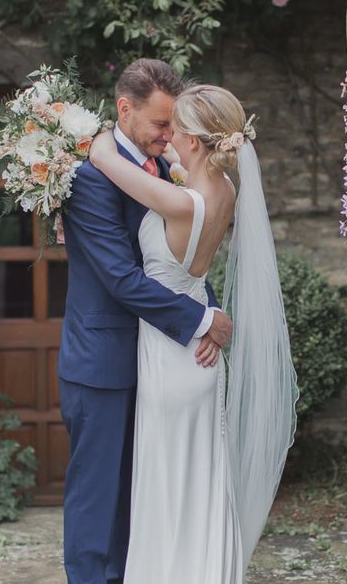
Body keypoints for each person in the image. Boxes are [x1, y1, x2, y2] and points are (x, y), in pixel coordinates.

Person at [88, 84, 298, 583]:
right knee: (200, 483)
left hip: (170, 357)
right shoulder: (222, 192)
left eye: (176, 130)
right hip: (200, 354)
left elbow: (105, 159)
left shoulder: (182, 202)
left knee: (167, 486)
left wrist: (94, 140)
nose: (169, 138)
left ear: (198, 141)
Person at [58, 59, 233, 584]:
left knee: (142, 501)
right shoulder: (92, 178)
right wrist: (201, 321)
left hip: (159, 360)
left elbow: (182, 264)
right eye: (160, 124)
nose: (167, 134)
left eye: (173, 125)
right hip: (104, 363)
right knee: (98, 501)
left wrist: (211, 309)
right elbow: (121, 278)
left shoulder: (162, 171)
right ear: (124, 109)